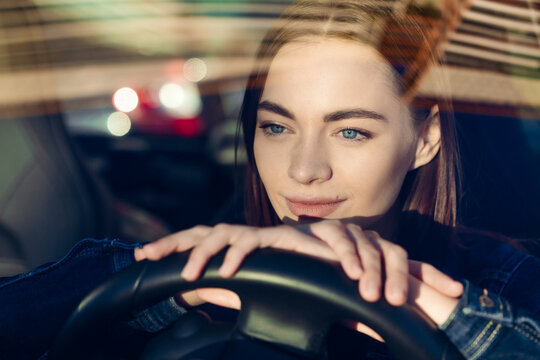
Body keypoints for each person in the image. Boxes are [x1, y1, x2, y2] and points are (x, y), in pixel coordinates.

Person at [1, 1, 538, 359]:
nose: (304, 170)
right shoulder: (216, 254)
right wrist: (182, 282)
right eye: (277, 126)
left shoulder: (504, 281)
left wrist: (443, 312)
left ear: (426, 139)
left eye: (350, 132)